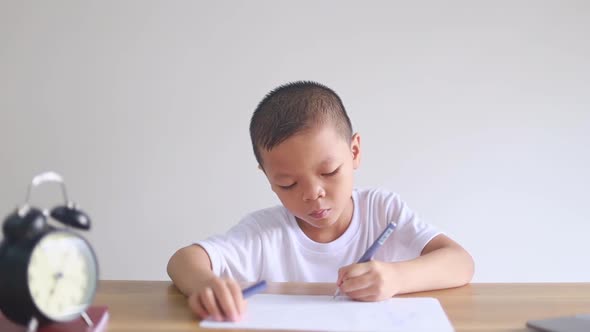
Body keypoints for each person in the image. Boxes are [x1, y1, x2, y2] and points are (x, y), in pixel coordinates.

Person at [167, 81, 474, 322]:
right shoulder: (264, 232)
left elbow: (461, 263)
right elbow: (182, 260)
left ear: (354, 152)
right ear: (268, 179)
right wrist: (205, 284)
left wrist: (395, 277)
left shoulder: (382, 210)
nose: (313, 193)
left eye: (329, 171)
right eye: (288, 184)